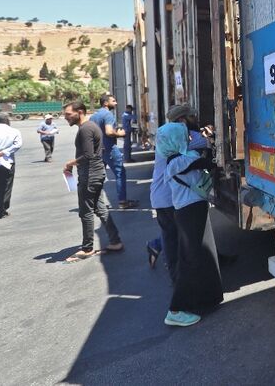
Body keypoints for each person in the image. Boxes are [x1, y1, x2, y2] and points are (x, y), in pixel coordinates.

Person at [156, 118, 223, 327]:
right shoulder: (180, 161)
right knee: (190, 259)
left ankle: (205, 298)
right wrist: (212, 141)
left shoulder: (176, 158)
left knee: (202, 255)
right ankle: (176, 309)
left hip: (189, 211)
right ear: (175, 140)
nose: (188, 139)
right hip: (189, 212)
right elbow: (208, 162)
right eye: (183, 136)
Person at [149, 104, 213, 281]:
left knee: (182, 236)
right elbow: (207, 142)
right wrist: (209, 133)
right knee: (175, 239)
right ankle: (176, 278)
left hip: (163, 196)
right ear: (182, 120)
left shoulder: (168, 138)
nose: (196, 119)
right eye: (192, 116)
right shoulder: (180, 139)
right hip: (167, 198)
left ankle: (158, 249)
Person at [63, 101, 123, 262]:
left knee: (86, 212)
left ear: (80, 112)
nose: (65, 117)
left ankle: (87, 248)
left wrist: (70, 163)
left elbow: (89, 155)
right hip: (96, 173)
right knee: (100, 209)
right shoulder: (90, 127)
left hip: (90, 175)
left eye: (68, 114)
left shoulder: (86, 129)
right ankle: (115, 241)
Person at [90, 94, 137, 208]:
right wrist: (119, 134)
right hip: (109, 149)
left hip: (97, 149)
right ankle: (123, 202)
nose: (116, 103)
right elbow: (109, 132)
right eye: (113, 101)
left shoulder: (93, 116)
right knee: (120, 173)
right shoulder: (108, 114)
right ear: (106, 103)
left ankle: (96, 203)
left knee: (98, 176)